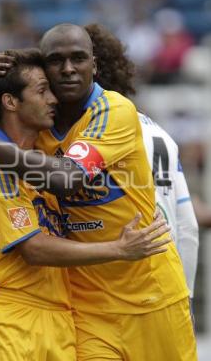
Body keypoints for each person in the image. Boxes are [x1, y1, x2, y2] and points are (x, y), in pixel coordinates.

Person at [0, 24, 197, 360]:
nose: (68, 69)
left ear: (94, 65)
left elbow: (67, 179)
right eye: (56, 60)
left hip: (152, 295)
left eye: (78, 58)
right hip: (87, 308)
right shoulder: (36, 131)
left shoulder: (112, 111)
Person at [85, 22, 199, 299]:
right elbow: (188, 226)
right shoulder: (160, 133)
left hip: (115, 290)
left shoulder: (90, 135)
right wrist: (185, 294)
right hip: (166, 285)